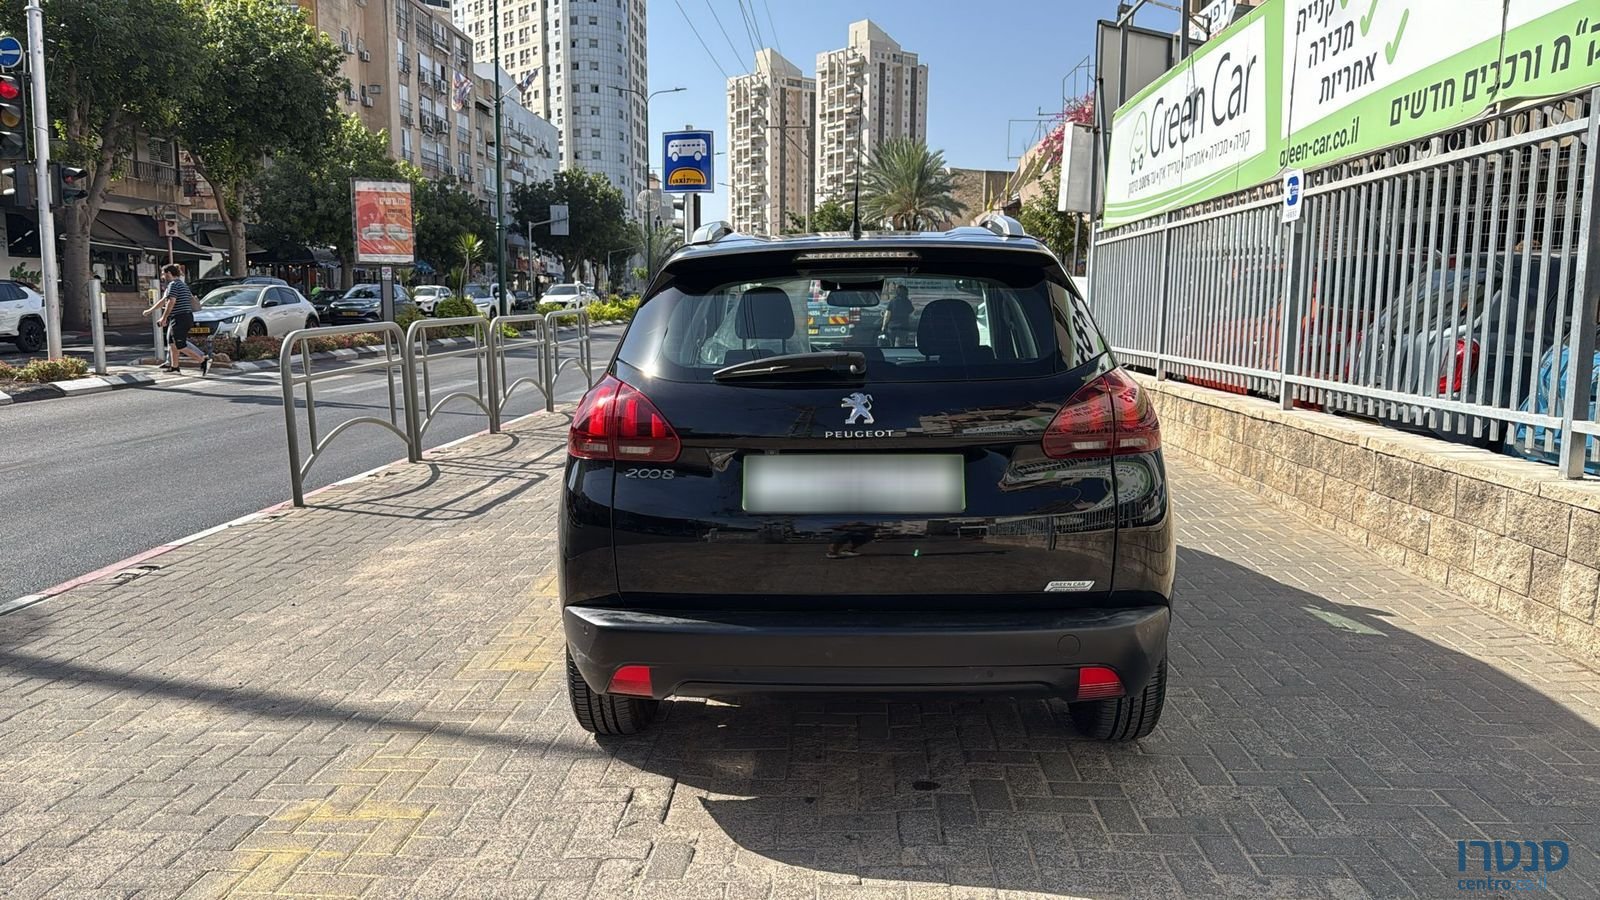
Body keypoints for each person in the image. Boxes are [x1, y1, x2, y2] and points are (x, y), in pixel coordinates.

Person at [143, 263, 210, 376]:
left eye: (163, 274)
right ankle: (175, 367)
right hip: (183, 317)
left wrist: (163, 318)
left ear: (169, 273)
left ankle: (202, 360)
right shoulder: (181, 284)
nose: (162, 277)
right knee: (172, 344)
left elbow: (171, 302)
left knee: (180, 345)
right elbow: (163, 300)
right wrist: (150, 310)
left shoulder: (173, 285)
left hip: (180, 318)